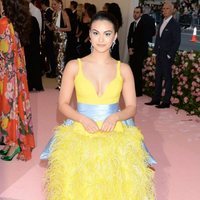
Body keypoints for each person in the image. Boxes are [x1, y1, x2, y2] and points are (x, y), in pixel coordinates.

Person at [44, 11, 155, 199]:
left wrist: (116, 116)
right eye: (96, 33)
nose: (101, 39)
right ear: (89, 34)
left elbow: (131, 107)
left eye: (107, 33)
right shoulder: (74, 66)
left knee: (117, 185)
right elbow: (62, 104)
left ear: (115, 36)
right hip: (80, 131)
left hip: (115, 132)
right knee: (79, 186)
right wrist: (81, 118)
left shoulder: (124, 69)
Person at [0, 0, 35, 161]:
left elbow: (4, 53)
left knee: (9, 107)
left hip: (7, 74)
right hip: (15, 73)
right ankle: (11, 141)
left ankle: (13, 143)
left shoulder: (4, 23)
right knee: (14, 106)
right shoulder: (14, 21)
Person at [145, 2, 181, 108]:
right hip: (159, 55)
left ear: (172, 10)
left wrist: (170, 55)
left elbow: (176, 42)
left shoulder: (174, 24)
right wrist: (154, 53)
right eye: (163, 8)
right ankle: (156, 99)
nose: (164, 10)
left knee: (167, 79)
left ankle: (166, 102)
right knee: (158, 77)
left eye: (167, 8)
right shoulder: (161, 22)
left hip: (166, 56)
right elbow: (158, 40)